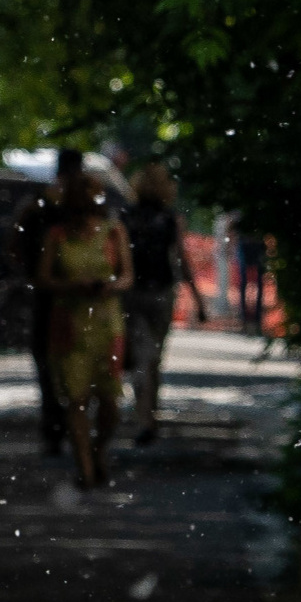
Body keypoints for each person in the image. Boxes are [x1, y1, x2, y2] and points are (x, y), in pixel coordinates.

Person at [37, 164, 129, 487]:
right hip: (70, 323)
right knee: (75, 398)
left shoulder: (113, 231)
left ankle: (98, 448)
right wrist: (73, 285)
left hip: (107, 324)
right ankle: (85, 467)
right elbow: (44, 278)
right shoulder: (57, 235)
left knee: (109, 401)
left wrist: (108, 286)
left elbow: (127, 277)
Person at [120, 164, 201, 446]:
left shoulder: (124, 218)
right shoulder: (169, 219)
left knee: (143, 356)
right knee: (152, 356)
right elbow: (180, 260)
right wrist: (197, 298)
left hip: (132, 293)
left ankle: (145, 413)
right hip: (161, 293)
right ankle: (148, 413)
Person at [13, 153, 86, 456]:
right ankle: (68, 425)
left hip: (49, 297)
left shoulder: (38, 206)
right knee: (70, 362)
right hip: (74, 299)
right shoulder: (77, 210)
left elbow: (16, 247)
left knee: (51, 363)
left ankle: (57, 425)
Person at [232, 222, 270, 336]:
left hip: (254, 249)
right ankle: (246, 321)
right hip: (247, 248)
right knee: (245, 287)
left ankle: (255, 322)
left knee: (255, 288)